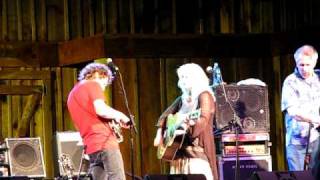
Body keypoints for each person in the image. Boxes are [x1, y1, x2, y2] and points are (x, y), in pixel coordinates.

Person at [153, 63, 219, 180]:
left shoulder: (204, 95)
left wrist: (188, 126)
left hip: (196, 154)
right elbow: (164, 116)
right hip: (179, 154)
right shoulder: (182, 99)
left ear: (196, 77)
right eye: (181, 77)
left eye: (186, 77)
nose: (182, 80)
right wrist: (160, 134)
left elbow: (203, 119)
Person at [67, 62, 130, 180]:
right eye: (105, 84)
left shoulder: (72, 94)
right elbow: (101, 110)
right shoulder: (93, 85)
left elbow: (91, 116)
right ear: (101, 75)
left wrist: (114, 118)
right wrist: (121, 115)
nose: (103, 88)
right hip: (104, 141)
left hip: (91, 146)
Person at [281, 45, 320, 171]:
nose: (304, 68)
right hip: (296, 140)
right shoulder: (290, 81)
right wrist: (316, 119)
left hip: (316, 139)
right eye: (301, 65)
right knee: (298, 176)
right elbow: (293, 112)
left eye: (308, 65)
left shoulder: (318, 78)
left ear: (314, 63)